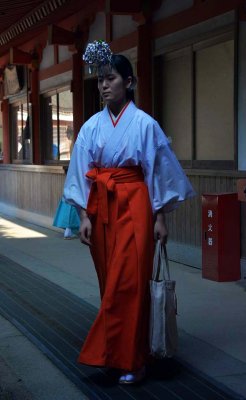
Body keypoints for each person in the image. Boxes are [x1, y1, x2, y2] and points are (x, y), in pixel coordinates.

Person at [63, 40, 195, 384]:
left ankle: (132, 360)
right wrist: (83, 217)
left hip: (136, 205)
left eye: (111, 79)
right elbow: (80, 171)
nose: (104, 85)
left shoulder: (145, 124)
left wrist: (161, 217)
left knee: (131, 284)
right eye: (100, 80)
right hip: (102, 207)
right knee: (111, 286)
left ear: (129, 82)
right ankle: (118, 354)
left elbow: (157, 171)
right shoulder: (91, 127)